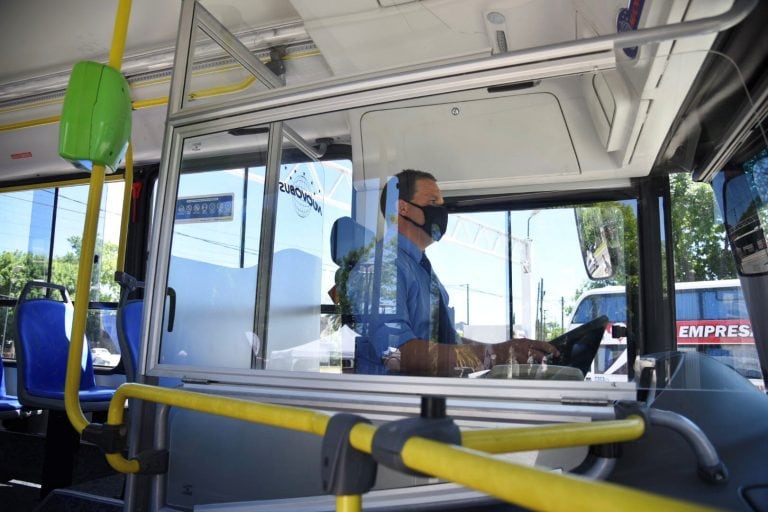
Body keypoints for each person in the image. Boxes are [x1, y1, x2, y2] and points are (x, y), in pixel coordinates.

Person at [346, 169, 558, 376]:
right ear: (402, 208)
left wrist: (505, 351)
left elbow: (447, 343)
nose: (441, 210)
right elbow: (396, 354)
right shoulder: (383, 267)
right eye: (433, 202)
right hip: (394, 406)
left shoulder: (420, 270)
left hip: (428, 401)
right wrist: (495, 355)